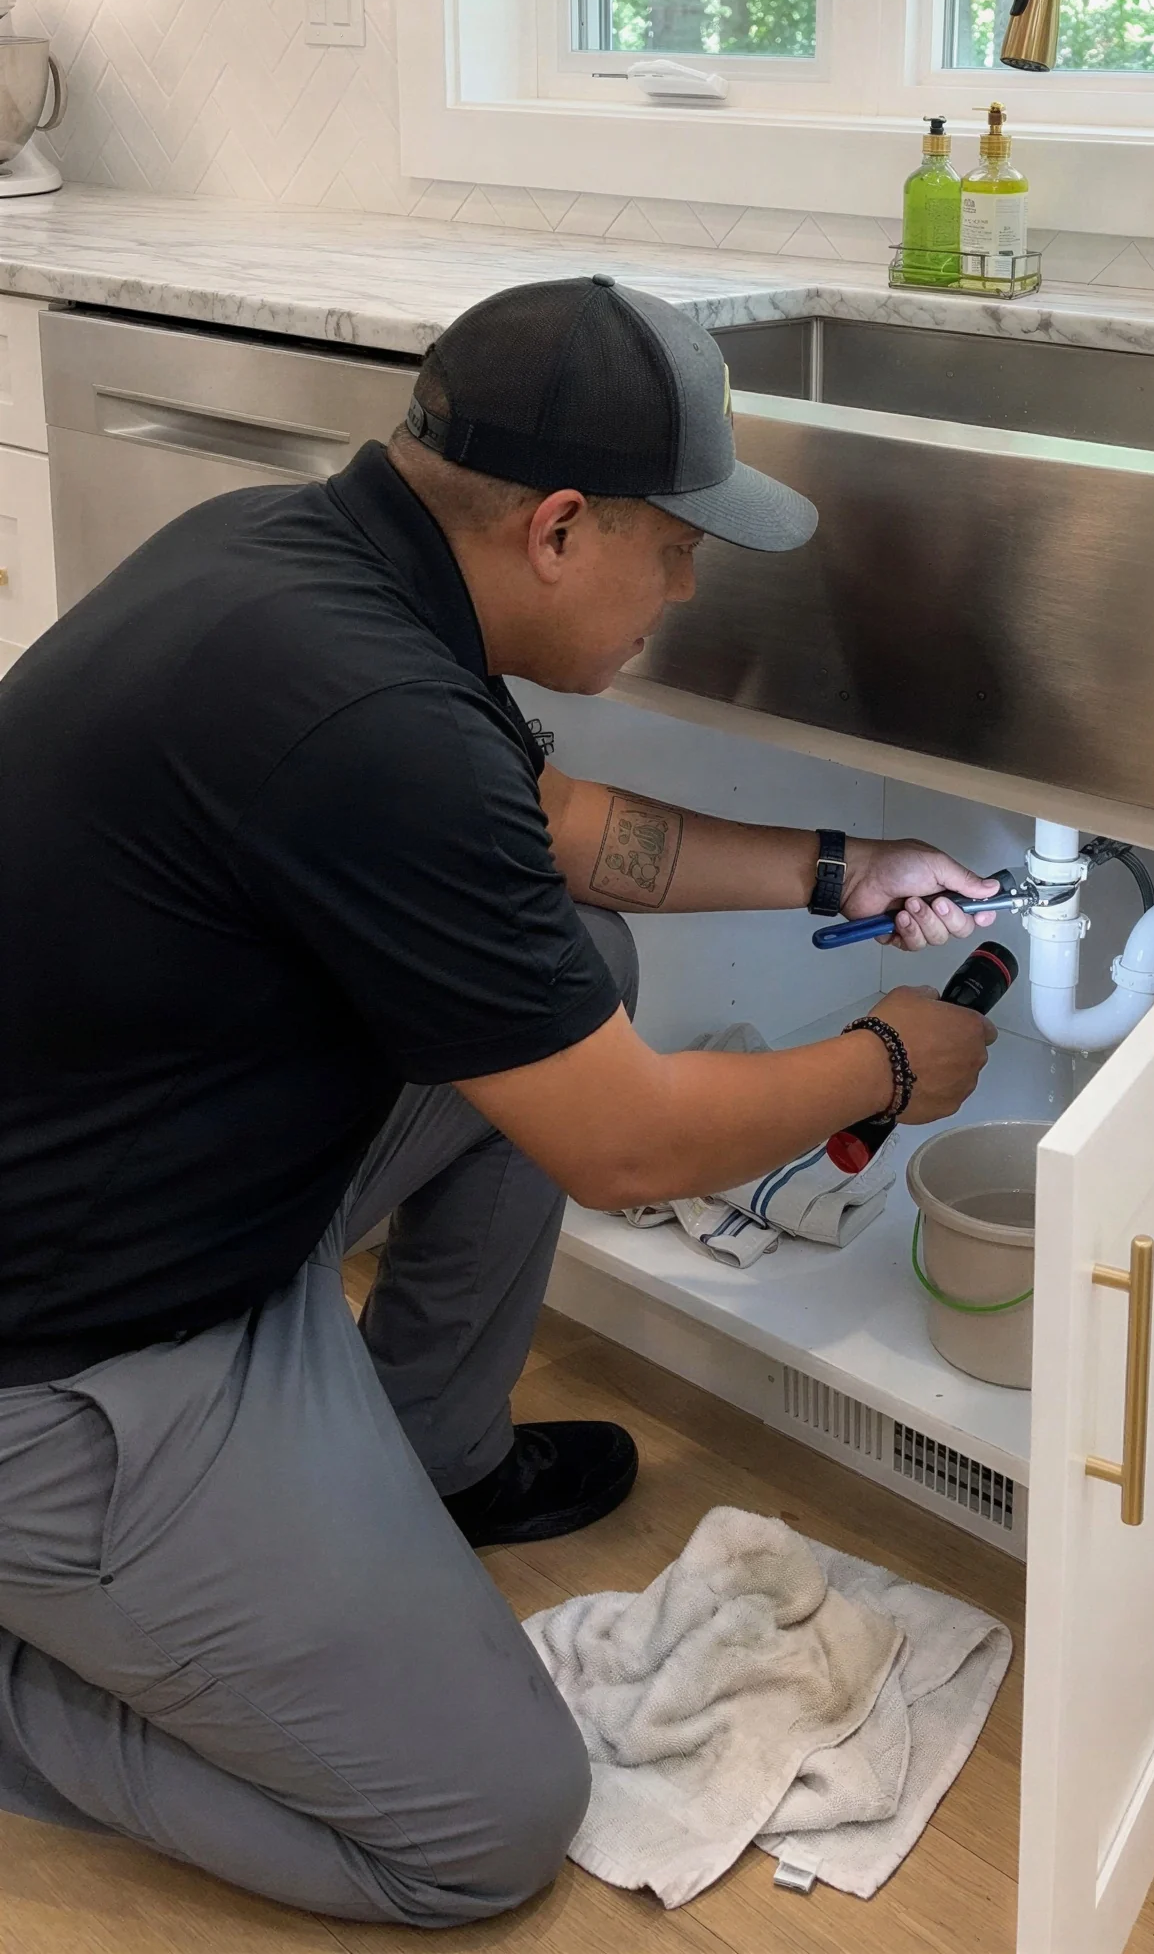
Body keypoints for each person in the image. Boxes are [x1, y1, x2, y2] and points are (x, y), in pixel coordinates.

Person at [0, 273, 1003, 1929]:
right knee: (485, 1824)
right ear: (555, 530)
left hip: (139, 1196)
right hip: (71, 1360)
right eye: (674, 546)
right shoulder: (375, 719)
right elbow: (623, 1147)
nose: (684, 585)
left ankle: (431, 1456)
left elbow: (553, 834)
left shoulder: (298, 558)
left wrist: (850, 864)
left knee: (577, 960)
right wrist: (895, 1062)